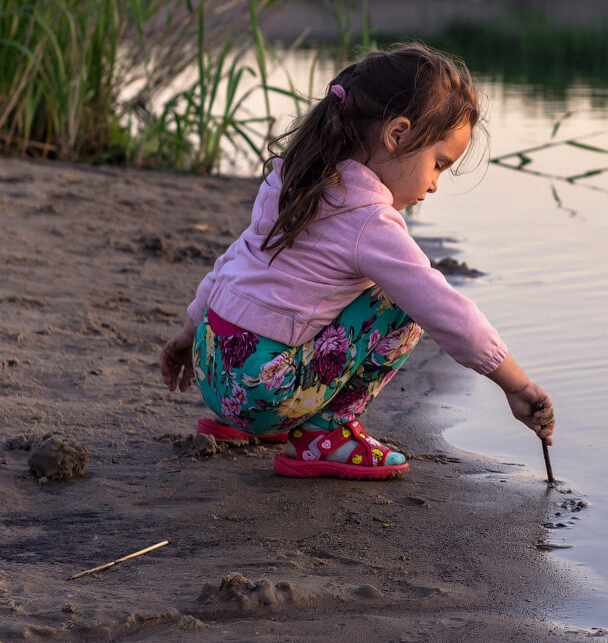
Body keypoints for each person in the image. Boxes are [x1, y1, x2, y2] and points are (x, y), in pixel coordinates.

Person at [159, 44, 555, 480]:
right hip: (262, 393)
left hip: (214, 365)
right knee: (403, 300)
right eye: (438, 164)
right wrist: (516, 384)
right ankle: (322, 434)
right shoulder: (367, 218)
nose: (435, 184)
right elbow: (442, 306)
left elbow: (237, 258)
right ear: (398, 135)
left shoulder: (296, 177)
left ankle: (265, 421)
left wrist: (189, 329)